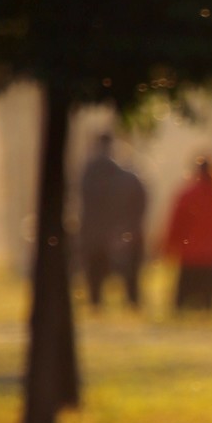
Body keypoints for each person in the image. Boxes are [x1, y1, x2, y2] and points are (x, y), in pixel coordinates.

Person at [78, 131, 148, 308]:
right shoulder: (129, 177)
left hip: (94, 235)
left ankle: (96, 304)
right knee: (128, 275)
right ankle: (132, 303)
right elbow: (140, 204)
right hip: (122, 234)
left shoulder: (87, 175)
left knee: (95, 276)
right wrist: (131, 227)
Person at [161, 156, 212, 311]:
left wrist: (167, 249)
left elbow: (175, 226)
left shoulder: (186, 196)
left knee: (181, 308)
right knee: (206, 309)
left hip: (189, 259)